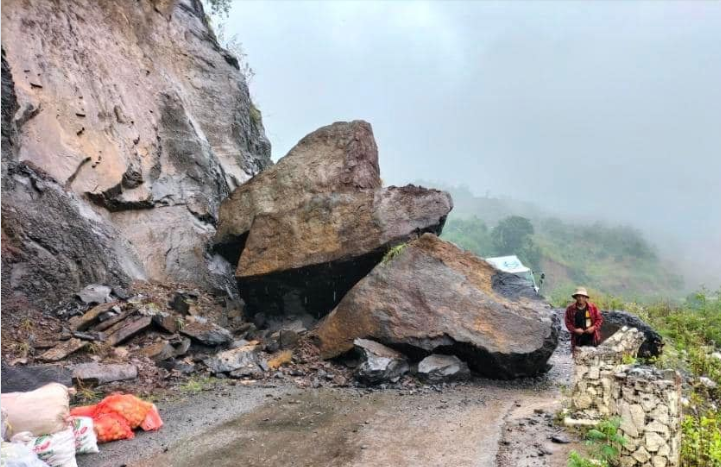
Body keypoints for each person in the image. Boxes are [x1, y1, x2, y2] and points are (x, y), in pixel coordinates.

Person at [564, 287, 603, 352]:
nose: (580, 298)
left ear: (585, 297)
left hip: (591, 338)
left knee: (591, 356)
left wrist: (593, 328)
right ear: (575, 297)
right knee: (578, 357)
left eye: (582, 296)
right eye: (578, 296)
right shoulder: (570, 309)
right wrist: (575, 330)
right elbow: (567, 322)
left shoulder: (592, 307)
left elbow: (599, 319)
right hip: (577, 339)